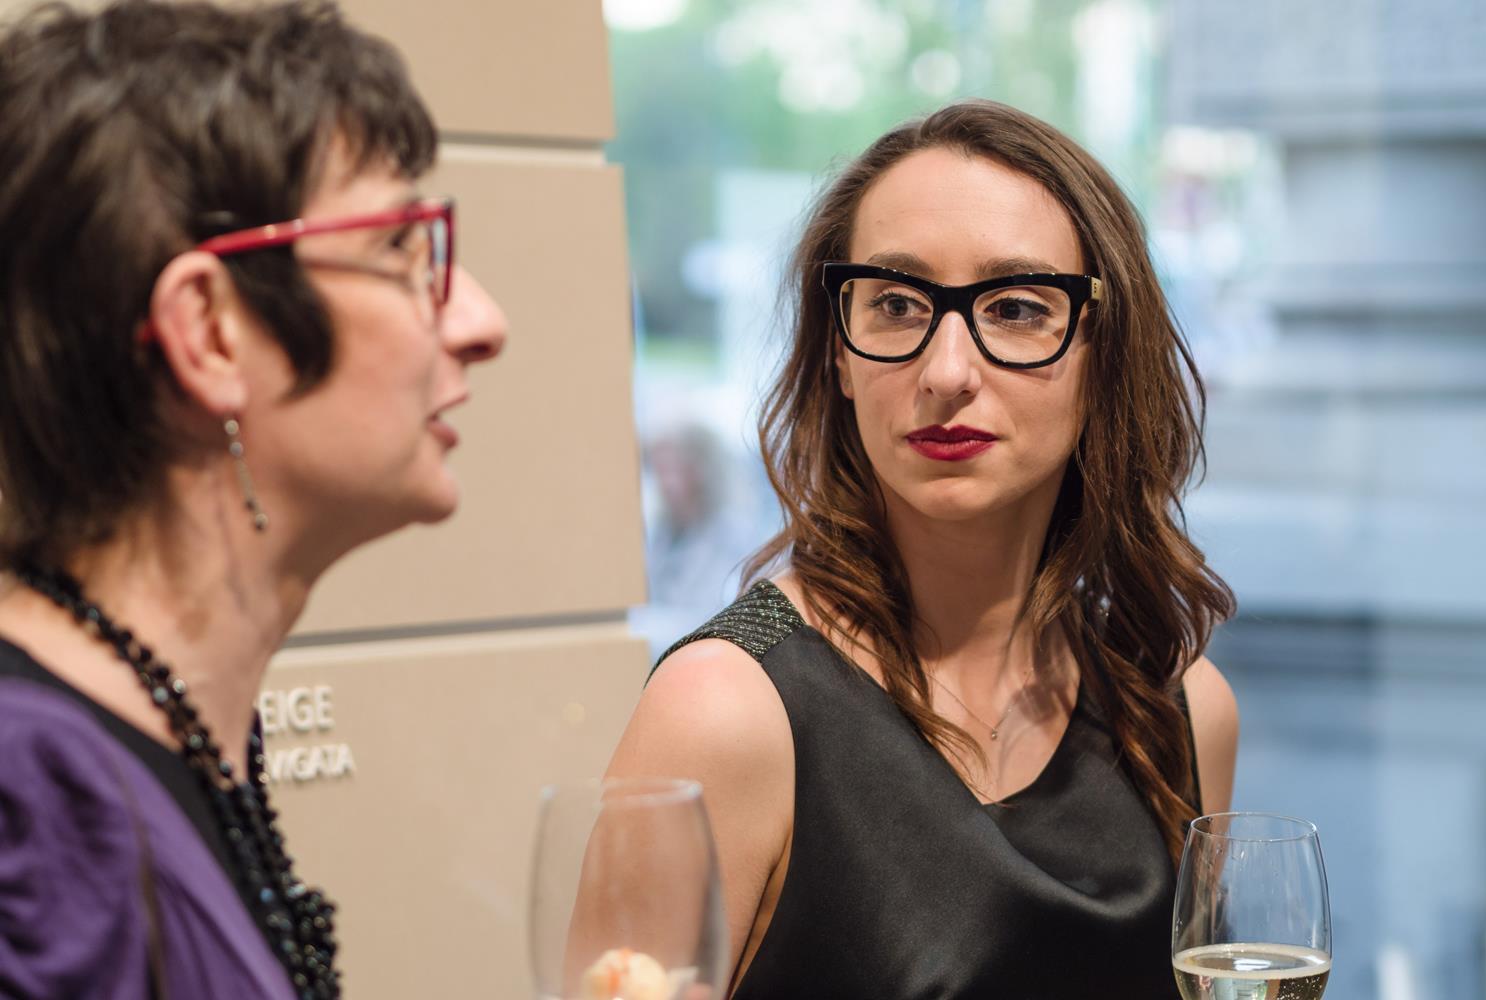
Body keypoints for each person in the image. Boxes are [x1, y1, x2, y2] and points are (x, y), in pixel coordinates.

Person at [606, 99, 1239, 998]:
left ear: (1105, 353)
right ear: (839, 353)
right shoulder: (724, 711)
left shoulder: (1179, 709)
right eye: (897, 304)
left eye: (1015, 308)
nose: (946, 372)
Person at [0, 1, 506, 997]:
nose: (481, 320)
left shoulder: (169, 735)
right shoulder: (32, 798)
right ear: (209, 332)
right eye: (402, 247)